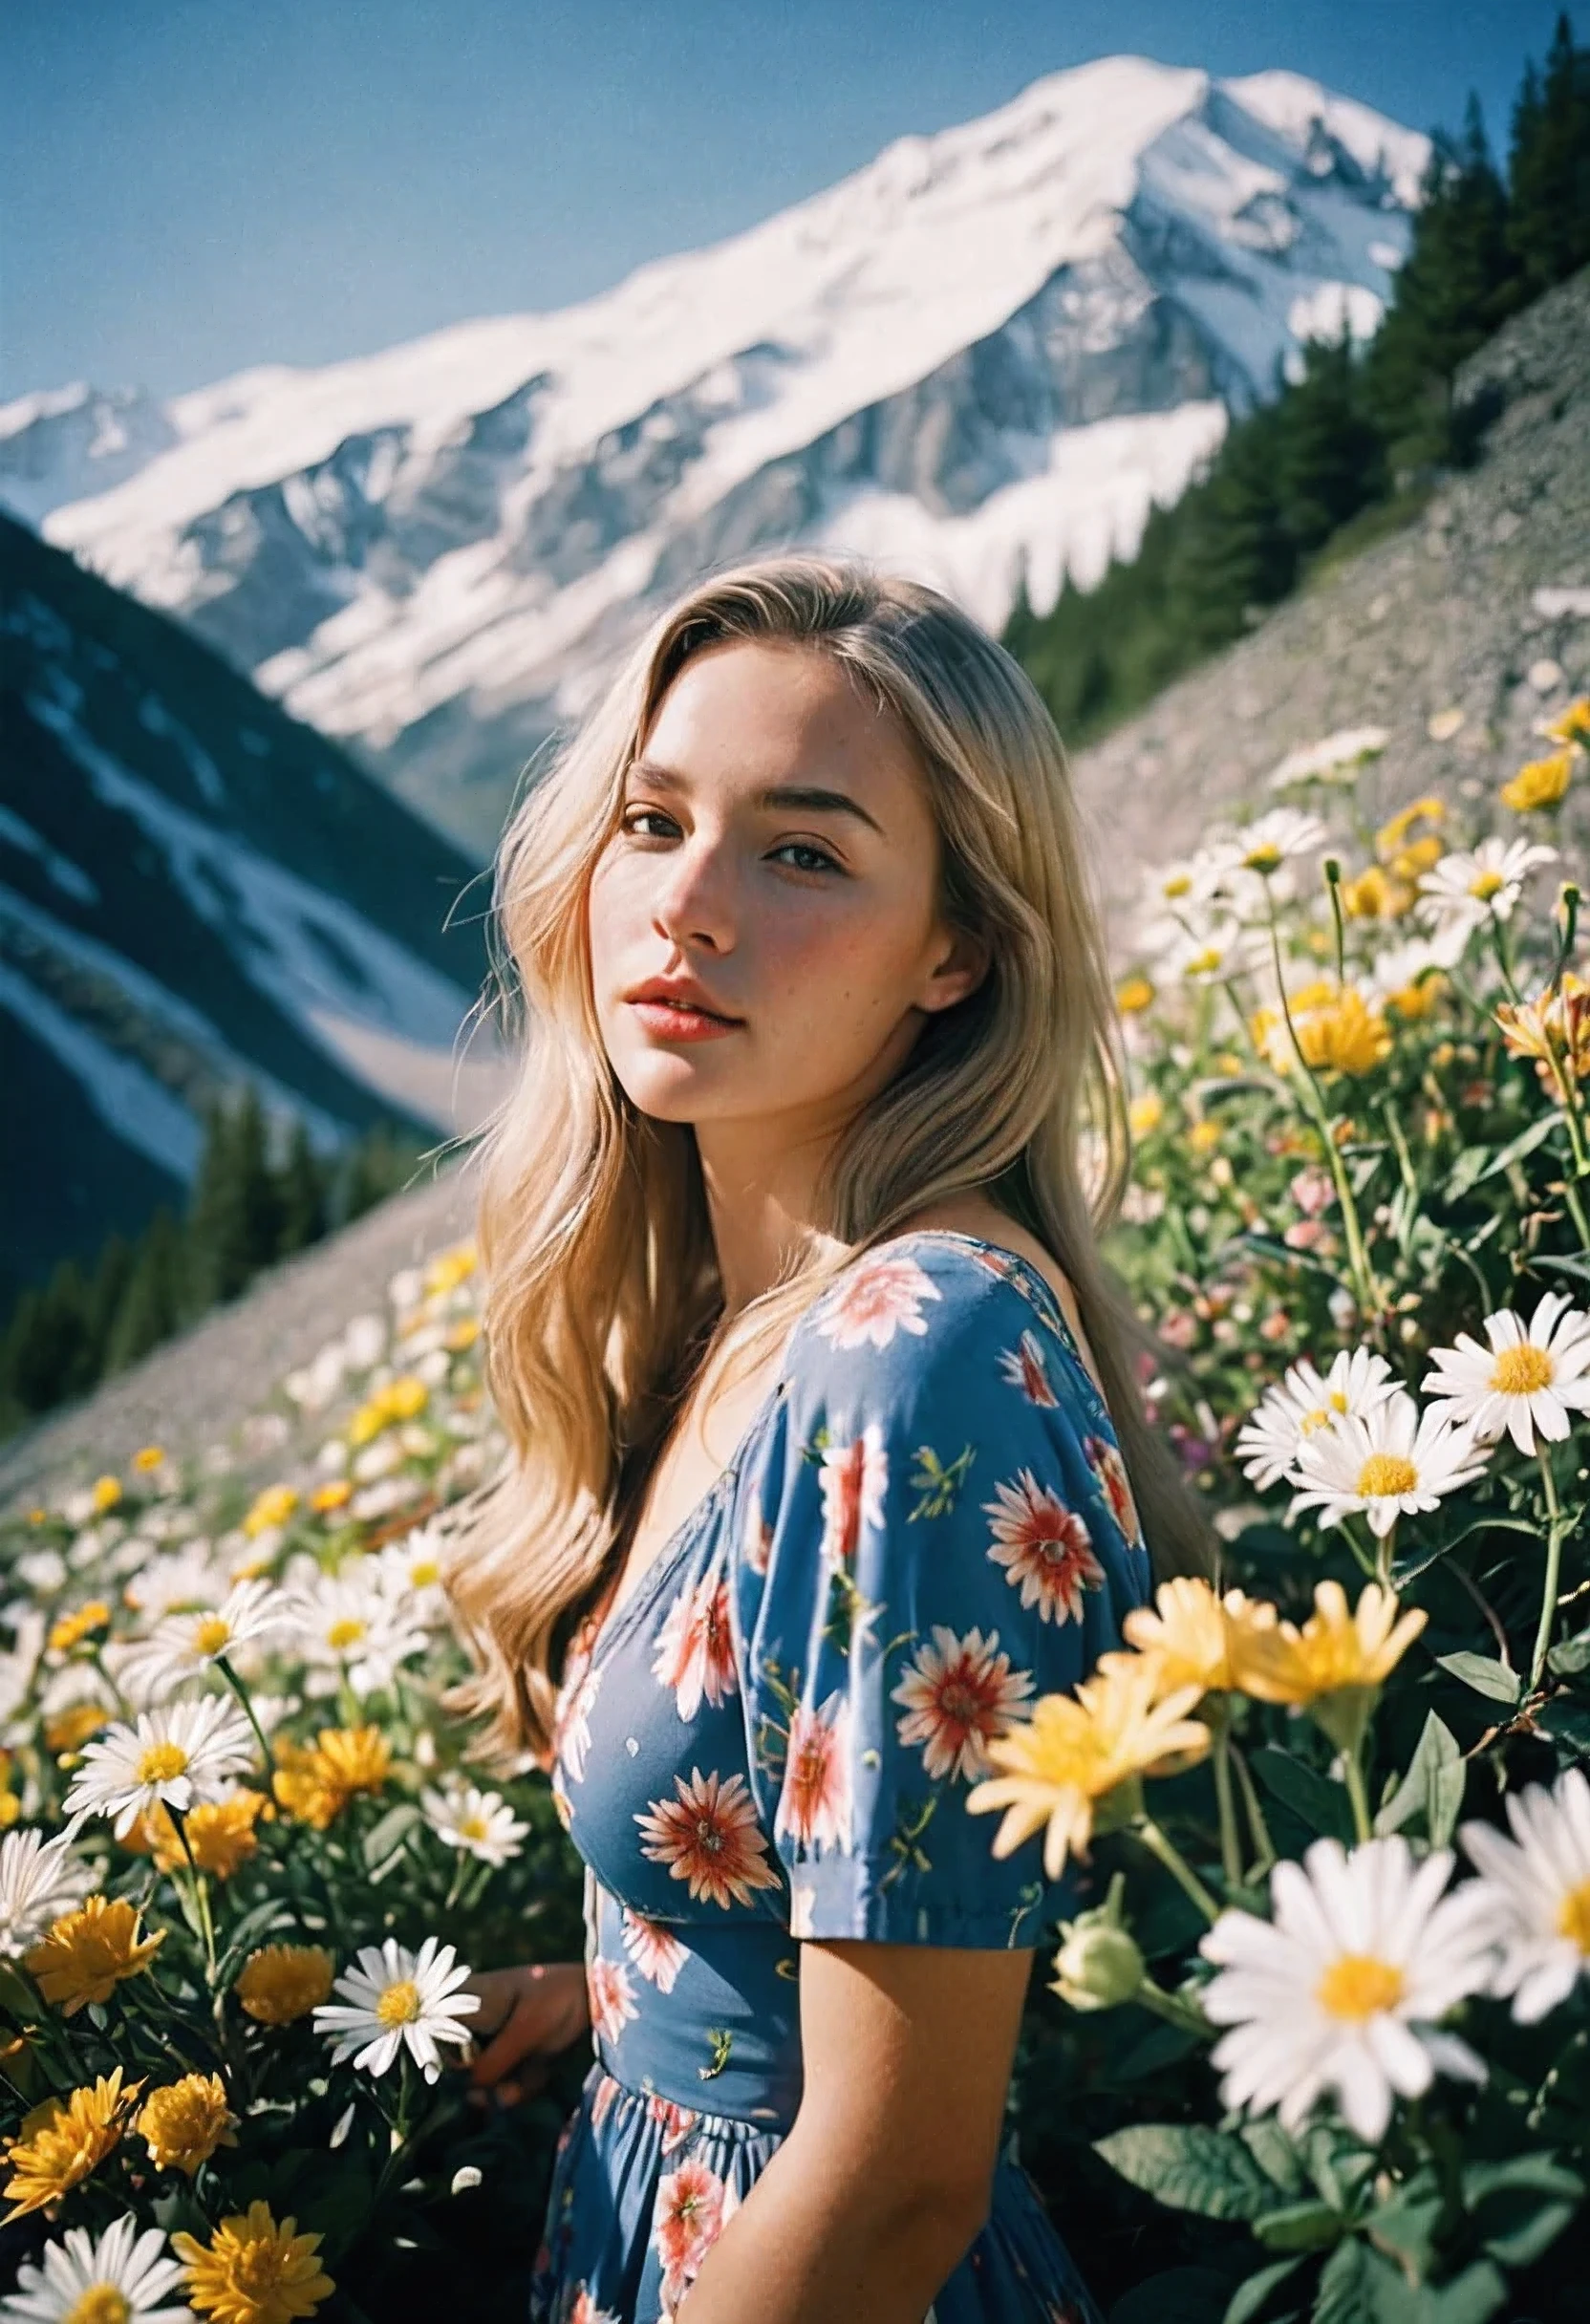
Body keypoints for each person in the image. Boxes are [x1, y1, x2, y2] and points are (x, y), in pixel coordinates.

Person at [438, 552, 1212, 2324]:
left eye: (802, 852)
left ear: (960, 951)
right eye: (651, 821)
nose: (687, 907)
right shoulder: (742, 1321)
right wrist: (631, 1999)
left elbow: (891, 2186)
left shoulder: (906, 1349)